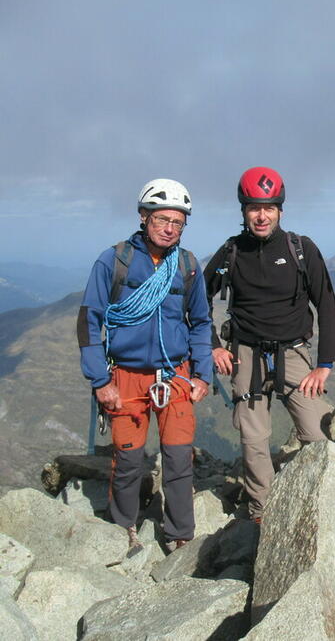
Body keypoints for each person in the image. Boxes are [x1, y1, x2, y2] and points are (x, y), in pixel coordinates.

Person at [78, 179, 212, 552]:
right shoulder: (115, 260)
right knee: (128, 459)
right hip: (125, 376)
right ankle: (123, 527)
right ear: (143, 217)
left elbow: (201, 322)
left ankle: (180, 534)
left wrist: (202, 372)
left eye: (178, 222)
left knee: (178, 457)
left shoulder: (186, 266)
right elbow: (89, 322)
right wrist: (100, 380)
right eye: (162, 220)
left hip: (177, 375)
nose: (170, 228)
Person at [204, 166, 335, 523]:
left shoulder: (300, 249)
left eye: (269, 208)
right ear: (244, 210)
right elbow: (198, 297)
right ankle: (261, 513)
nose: (261, 216)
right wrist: (214, 345)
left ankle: (322, 501)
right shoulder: (232, 252)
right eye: (253, 208)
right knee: (254, 438)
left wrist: (325, 364)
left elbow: (326, 302)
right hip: (245, 354)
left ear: (280, 210)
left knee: (317, 431)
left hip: (293, 352)